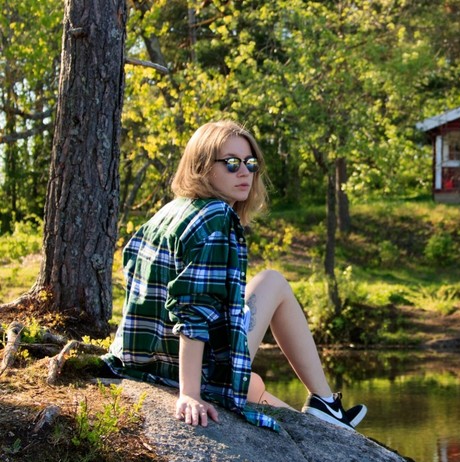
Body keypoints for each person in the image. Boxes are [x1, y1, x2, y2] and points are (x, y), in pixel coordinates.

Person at [102, 120, 366, 432]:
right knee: (273, 282)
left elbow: (136, 284)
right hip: (181, 371)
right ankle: (325, 402)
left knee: (253, 385)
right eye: (231, 163)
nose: (244, 172)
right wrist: (189, 394)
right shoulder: (215, 217)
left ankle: (328, 430)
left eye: (250, 163)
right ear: (201, 166)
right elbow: (192, 312)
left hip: (140, 363)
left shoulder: (168, 212)